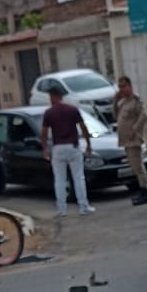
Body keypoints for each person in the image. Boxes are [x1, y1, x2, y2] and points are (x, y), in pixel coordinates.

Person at [40, 85, 95, 216]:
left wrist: (44, 149)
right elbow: (83, 127)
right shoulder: (73, 110)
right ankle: (83, 206)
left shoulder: (49, 113)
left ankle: (62, 209)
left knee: (59, 179)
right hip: (73, 145)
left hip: (58, 147)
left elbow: (43, 132)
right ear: (61, 96)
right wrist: (88, 144)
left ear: (53, 97)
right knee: (78, 177)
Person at [114, 76, 147, 206]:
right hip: (125, 141)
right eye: (119, 87)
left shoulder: (136, 101)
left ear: (130, 86)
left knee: (138, 166)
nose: (122, 89)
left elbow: (145, 115)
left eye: (124, 86)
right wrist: (115, 100)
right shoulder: (123, 102)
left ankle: (144, 191)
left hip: (133, 140)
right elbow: (116, 115)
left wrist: (135, 129)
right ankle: (140, 189)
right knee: (134, 166)